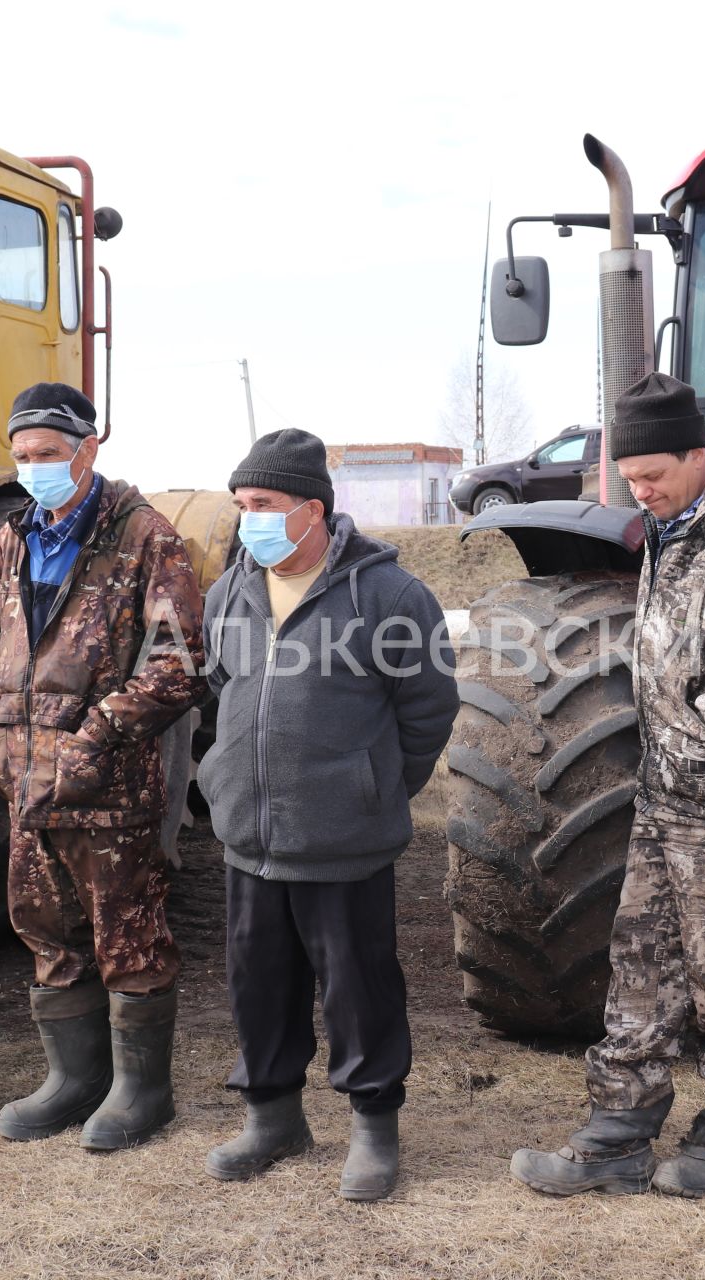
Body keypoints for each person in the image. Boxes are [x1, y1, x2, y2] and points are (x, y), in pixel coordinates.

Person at [512, 372, 705, 1199]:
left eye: (655, 474)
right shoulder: (671, 520)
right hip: (665, 794)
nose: (642, 491)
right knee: (641, 961)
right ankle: (619, 1130)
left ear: (700, 454)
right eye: (631, 478)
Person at [197, 429, 456, 1201]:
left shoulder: (391, 597)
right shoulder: (229, 591)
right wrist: (226, 781)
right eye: (242, 506)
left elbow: (427, 713)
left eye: (265, 505)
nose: (250, 520)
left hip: (345, 841)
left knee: (359, 987)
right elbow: (221, 694)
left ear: (312, 510)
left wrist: (369, 788)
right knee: (259, 983)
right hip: (249, 838)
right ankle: (273, 1118)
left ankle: (374, 1127)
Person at [0, 382, 206, 1151]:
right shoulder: (12, 538)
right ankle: (73, 1081)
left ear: (88, 449)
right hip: (26, 785)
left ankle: (142, 1092)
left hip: (108, 788)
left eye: (48, 454)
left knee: (128, 938)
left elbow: (178, 664)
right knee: (46, 932)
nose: (35, 468)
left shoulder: (146, 538)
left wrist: (97, 734)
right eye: (23, 455)